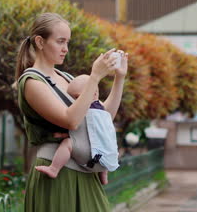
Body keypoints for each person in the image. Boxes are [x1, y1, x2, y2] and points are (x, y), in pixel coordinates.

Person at [16, 12, 128, 212]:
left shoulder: (66, 77)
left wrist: (119, 78)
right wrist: (94, 77)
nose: (65, 49)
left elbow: (102, 118)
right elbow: (71, 121)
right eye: (60, 41)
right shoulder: (32, 82)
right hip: (57, 173)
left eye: (67, 42)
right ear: (40, 42)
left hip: (85, 168)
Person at [34, 73, 123, 185]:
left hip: (89, 158)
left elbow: (75, 128)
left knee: (68, 143)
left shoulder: (85, 111)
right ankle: (103, 175)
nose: (73, 101)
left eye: (76, 97)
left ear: (93, 93)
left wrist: (62, 135)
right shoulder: (102, 110)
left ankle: (54, 169)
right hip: (108, 160)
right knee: (106, 144)